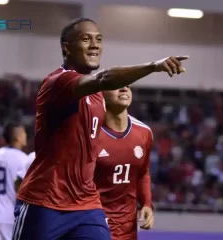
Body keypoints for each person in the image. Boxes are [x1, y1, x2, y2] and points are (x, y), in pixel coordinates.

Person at [14, 17, 187, 240]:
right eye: (86, 39)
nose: (95, 45)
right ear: (67, 48)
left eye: (98, 39)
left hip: (86, 203)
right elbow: (105, 78)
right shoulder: (58, 82)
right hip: (46, 200)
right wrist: (154, 66)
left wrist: (145, 201)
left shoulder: (97, 96)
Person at [94, 86, 154, 240]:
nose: (124, 89)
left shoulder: (144, 133)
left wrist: (146, 203)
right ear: (102, 95)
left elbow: (143, 172)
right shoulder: (91, 134)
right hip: (94, 224)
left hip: (128, 229)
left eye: (128, 86)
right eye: (117, 86)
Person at [0, 123, 30, 240]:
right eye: (24, 133)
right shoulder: (24, 159)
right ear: (17, 137)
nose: (26, 136)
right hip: (11, 216)